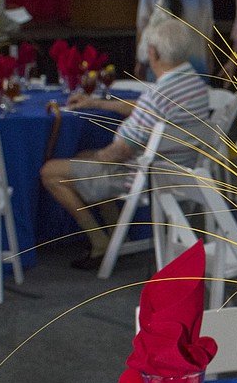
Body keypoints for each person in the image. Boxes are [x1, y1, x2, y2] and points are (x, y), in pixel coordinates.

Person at [41, 16, 213, 269]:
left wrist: (96, 159)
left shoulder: (158, 95)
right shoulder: (193, 84)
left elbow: (121, 151)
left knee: (50, 172)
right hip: (180, 167)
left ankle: (99, 241)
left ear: (152, 53)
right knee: (84, 156)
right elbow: (145, 110)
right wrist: (98, 104)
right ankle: (115, 235)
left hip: (146, 175)